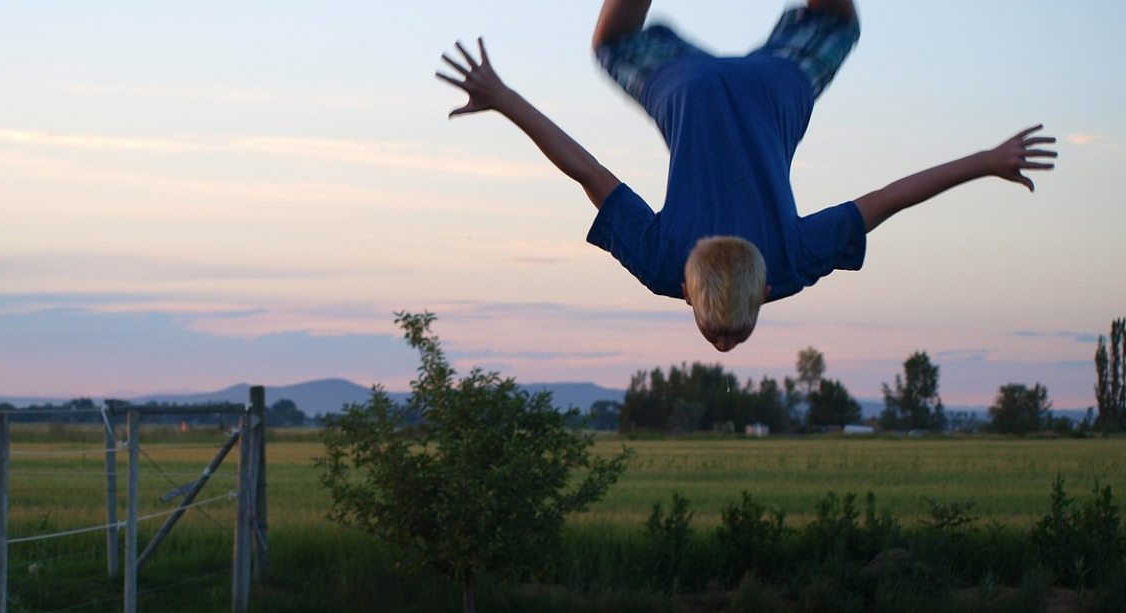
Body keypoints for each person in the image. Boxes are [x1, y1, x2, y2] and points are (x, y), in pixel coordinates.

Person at [436, 0, 1057, 353]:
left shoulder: (788, 264)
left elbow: (889, 198)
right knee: (609, 43)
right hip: (687, 91)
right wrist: (504, 97)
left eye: (720, 333)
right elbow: (585, 170)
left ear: (760, 295)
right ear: (694, 292)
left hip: (777, 90)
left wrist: (987, 160)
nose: (723, 346)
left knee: (838, 22)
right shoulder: (662, 264)